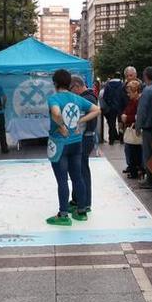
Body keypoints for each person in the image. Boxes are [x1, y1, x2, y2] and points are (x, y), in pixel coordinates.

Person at [46, 70, 100, 225]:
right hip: (77, 142)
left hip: (60, 144)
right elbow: (97, 110)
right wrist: (80, 120)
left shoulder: (54, 98)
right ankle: (81, 211)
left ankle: (63, 215)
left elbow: (56, 113)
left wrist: (61, 124)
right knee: (77, 177)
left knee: (62, 180)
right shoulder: (77, 98)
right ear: (69, 83)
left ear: (55, 83)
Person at [70, 75, 98, 214]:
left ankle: (85, 202)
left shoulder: (87, 99)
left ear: (76, 86)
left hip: (84, 138)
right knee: (78, 170)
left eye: (71, 89)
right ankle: (78, 199)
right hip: (84, 137)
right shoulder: (87, 98)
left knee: (82, 170)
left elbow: (83, 120)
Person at [135, 66, 152, 190]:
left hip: (148, 126)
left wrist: (138, 126)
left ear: (145, 76)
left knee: (148, 155)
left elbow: (142, 110)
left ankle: (151, 180)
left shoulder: (148, 90)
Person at [121, 81, 142, 179]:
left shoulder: (138, 101)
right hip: (130, 127)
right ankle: (133, 169)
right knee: (132, 150)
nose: (128, 94)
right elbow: (126, 110)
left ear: (136, 91)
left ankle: (136, 170)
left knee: (135, 152)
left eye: (129, 92)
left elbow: (138, 116)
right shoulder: (132, 100)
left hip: (134, 130)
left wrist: (127, 118)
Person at [101, 72, 124, 145]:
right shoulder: (122, 85)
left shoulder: (108, 85)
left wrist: (109, 103)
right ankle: (121, 139)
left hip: (111, 108)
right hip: (120, 107)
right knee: (121, 123)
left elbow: (105, 97)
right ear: (120, 77)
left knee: (112, 124)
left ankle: (111, 140)